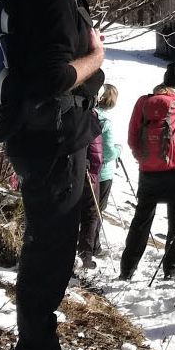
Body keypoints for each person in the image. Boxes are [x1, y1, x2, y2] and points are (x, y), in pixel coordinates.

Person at [2, 0, 128, 350]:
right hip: (50, 141)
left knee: (48, 243)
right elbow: (54, 76)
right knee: (50, 248)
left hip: (44, 137)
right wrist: (95, 57)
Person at [118, 62, 175, 282]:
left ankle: (127, 268)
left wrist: (143, 159)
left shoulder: (144, 102)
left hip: (149, 173)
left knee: (141, 221)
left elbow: (133, 138)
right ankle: (171, 270)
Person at [79, 84, 124, 259]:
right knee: (96, 211)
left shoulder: (87, 114)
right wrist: (119, 150)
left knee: (86, 209)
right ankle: (93, 246)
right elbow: (109, 151)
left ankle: (85, 243)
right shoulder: (105, 121)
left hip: (84, 168)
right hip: (103, 172)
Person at [76, 112, 104, 269]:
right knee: (90, 215)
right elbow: (96, 151)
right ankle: (85, 257)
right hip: (86, 173)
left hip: (64, 172)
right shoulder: (90, 116)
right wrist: (94, 173)